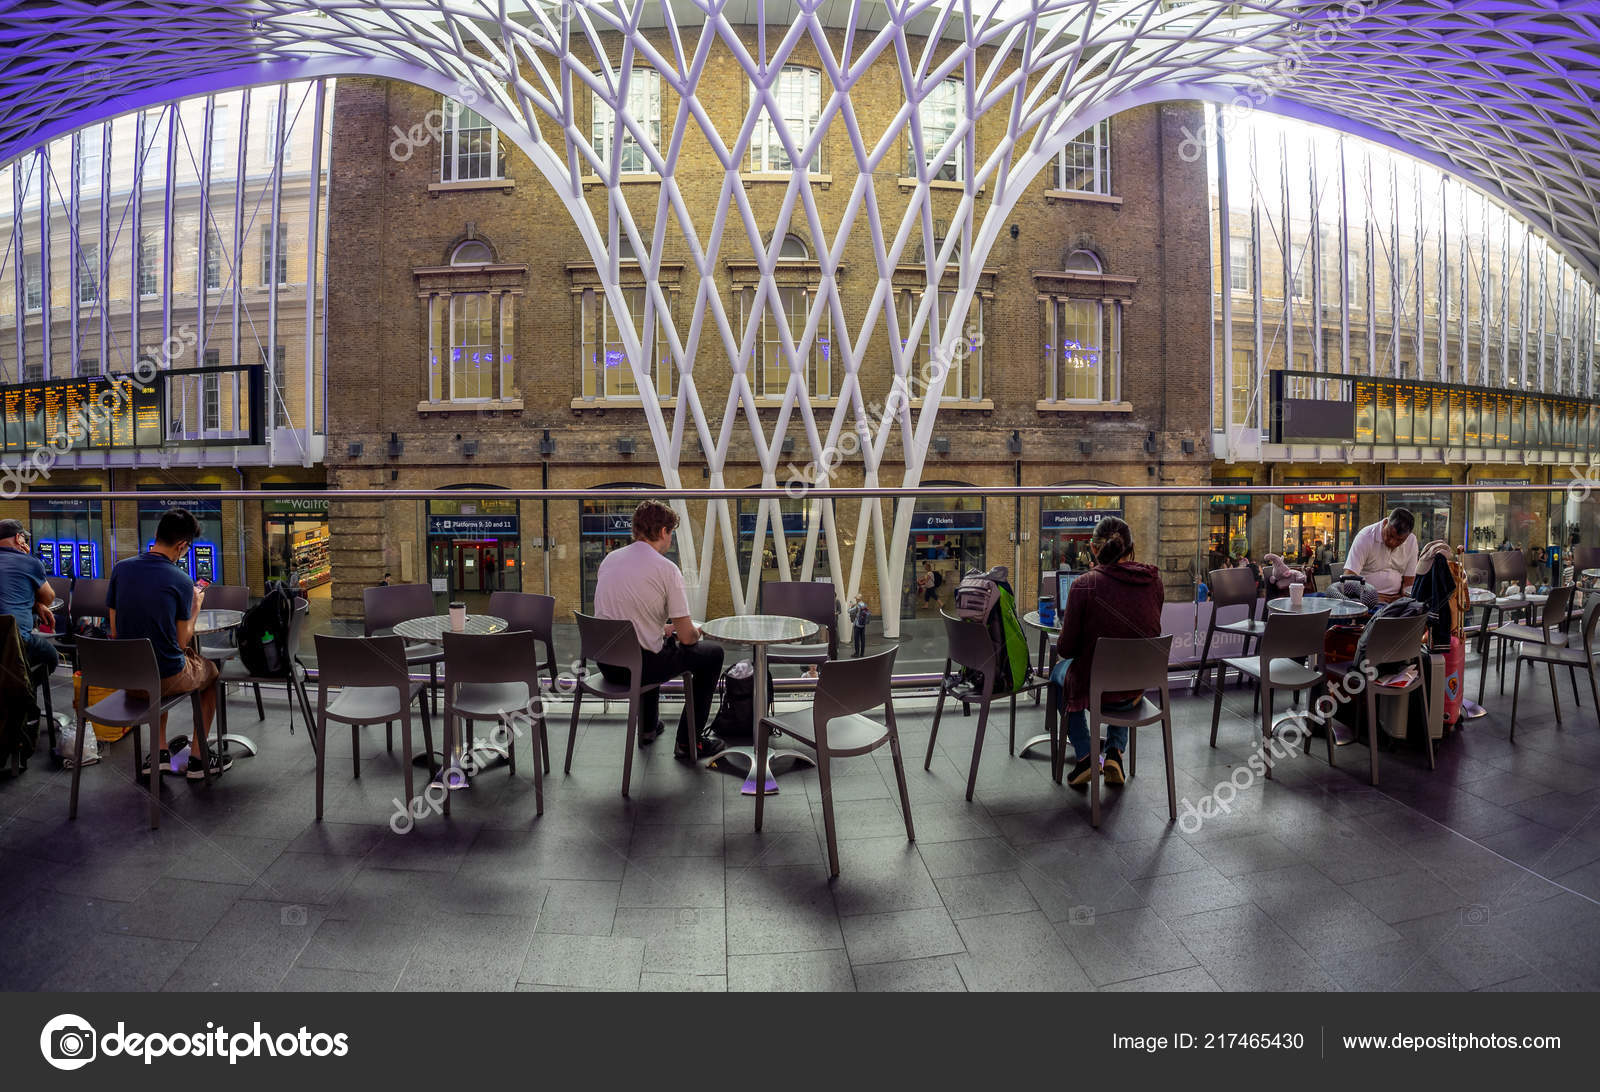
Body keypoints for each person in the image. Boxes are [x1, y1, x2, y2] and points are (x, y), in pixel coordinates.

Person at [593, 499, 726, 760]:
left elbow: (629, 618)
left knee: (656, 642)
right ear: (664, 532)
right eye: (671, 533)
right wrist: (696, 632)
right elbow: (687, 639)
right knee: (712, 655)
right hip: (638, 669)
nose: (671, 539)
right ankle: (689, 742)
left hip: (606, 663)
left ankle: (648, 727)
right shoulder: (667, 570)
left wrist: (662, 629)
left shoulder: (610, 559)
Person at [107, 508, 229, 779]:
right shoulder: (182, 581)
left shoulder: (120, 570)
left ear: (156, 535)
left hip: (131, 680)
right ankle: (199, 758)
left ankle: (160, 752)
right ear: (182, 546)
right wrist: (195, 605)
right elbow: (182, 640)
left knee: (156, 661)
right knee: (210, 673)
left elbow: (116, 631)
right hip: (164, 678)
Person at [1052, 517, 1164, 788]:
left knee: (1058, 674)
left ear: (1093, 548)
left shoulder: (1084, 585)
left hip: (1096, 692)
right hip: (1136, 690)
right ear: (1132, 547)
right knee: (1122, 667)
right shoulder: (1154, 581)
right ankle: (1114, 751)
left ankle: (1085, 755)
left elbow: (1066, 649)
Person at [0, 518, 58, 679]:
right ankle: (22, 693)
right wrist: (39, 604)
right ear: (18, 538)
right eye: (24, 538)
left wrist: (34, 604)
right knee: (51, 657)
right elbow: (49, 597)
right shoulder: (30, 562)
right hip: (16, 640)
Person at [1340, 507, 1419, 604]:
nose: (1392, 542)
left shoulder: (1411, 541)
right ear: (1385, 523)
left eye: (1399, 540)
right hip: (1365, 600)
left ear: (1408, 536)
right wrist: (1373, 597)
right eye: (1390, 535)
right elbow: (1349, 579)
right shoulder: (1365, 537)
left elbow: (1409, 581)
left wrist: (1402, 600)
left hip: (1396, 600)